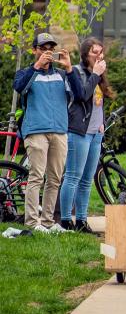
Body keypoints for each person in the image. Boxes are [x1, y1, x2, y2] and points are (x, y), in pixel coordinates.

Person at [12, 33, 83, 232]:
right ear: (34, 50)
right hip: (35, 131)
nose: (47, 52)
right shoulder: (26, 73)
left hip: (60, 130)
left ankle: (48, 222)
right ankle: (32, 223)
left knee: (55, 178)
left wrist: (69, 68)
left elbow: (79, 95)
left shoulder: (61, 75)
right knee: (36, 177)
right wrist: (36, 67)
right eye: (42, 48)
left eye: (50, 48)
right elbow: (19, 87)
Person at [58, 37, 115, 233]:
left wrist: (102, 123)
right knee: (73, 176)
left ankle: (81, 220)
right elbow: (82, 95)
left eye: (101, 52)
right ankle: (65, 220)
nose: (99, 56)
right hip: (78, 132)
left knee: (87, 179)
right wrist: (96, 75)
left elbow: (98, 103)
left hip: (94, 134)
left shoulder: (97, 74)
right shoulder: (76, 72)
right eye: (94, 52)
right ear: (85, 55)